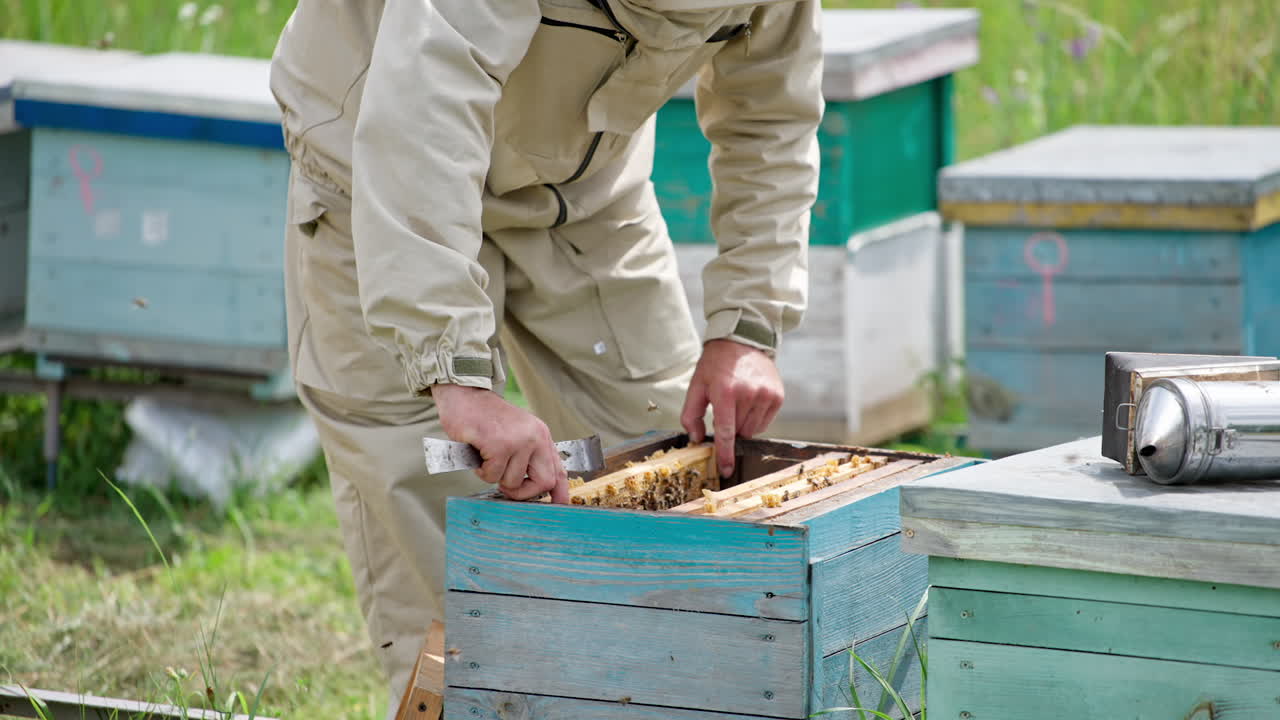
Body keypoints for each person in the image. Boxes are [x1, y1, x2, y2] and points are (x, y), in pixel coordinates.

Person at [269, 0, 822, 710]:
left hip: (584, 196)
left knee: (670, 458)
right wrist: (454, 373)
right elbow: (424, 105)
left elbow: (770, 111)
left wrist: (747, 323)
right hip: (376, 177)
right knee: (444, 541)